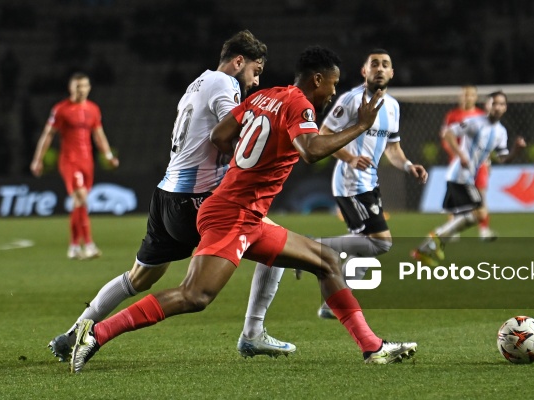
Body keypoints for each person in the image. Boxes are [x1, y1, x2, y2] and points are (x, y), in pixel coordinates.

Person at [70, 46, 417, 373]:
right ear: (317, 80)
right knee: (196, 295)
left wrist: (244, 165)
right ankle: (96, 333)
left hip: (244, 213)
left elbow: (220, 135)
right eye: (332, 83)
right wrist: (359, 126)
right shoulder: (300, 105)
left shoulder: (264, 96)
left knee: (326, 261)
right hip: (232, 215)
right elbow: (310, 150)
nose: (332, 91)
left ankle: (372, 347)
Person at [47, 30, 295, 363]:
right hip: (196, 200)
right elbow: (229, 134)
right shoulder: (226, 85)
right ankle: (253, 333)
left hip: (166, 195)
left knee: (139, 276)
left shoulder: (197, 83)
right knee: (273, 245)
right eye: (255, 70)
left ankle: (73, 332)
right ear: (239, 62)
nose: (255, 79)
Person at [313, 48, 427, 319]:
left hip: (370, 183)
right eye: (374, 64)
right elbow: (323, 135)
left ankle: (333, 304)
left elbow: (393, 149)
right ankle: (313, 246)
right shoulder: (352, 100)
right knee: (381, 242)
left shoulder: (393, 107)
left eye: (385, 64)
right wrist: (350, 158)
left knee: (366, 246)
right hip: (350, 183)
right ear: (364, 71)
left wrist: (409, 165)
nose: (379, 68)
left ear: (391, 73)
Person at [411, 91, 526, 267]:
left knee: (475, 215)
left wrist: (517, 150)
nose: (498, 107)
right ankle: (434, 241)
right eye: (494, 103)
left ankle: (429, 245)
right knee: (479, 213)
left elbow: (503, 158)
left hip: (468, 177)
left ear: (506, 108)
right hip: (458, 175)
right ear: (487, 105)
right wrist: (460, 155)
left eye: (502, 104)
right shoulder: (475, 123)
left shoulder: (501, 132)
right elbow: (448, 133)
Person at [30, 72, 119, 260]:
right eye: (78, 86)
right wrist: (38, 159)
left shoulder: (93, 109)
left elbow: (98, 135)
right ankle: (89, 245)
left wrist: (108, 155)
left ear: (89, 88)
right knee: (82, 198)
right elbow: (48, 134)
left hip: (87, 161)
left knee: (79, 203)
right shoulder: (61, 109)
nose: (82, 90)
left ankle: (73, 247)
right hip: (69, 160)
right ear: (71, 88)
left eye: (85, 86)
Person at [440, 85, 496, 241]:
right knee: (456, 198)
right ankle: (453, 231)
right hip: (459, 164)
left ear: (475, 97)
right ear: (460, 97)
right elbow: (446, 139)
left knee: (481, 197)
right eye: (465, 95)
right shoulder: (452, 116)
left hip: (479, 164)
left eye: (471, 95)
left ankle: (484, 230)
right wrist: (456, 156)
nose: (468, 97)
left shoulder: (482, 116)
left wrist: (489, 161)